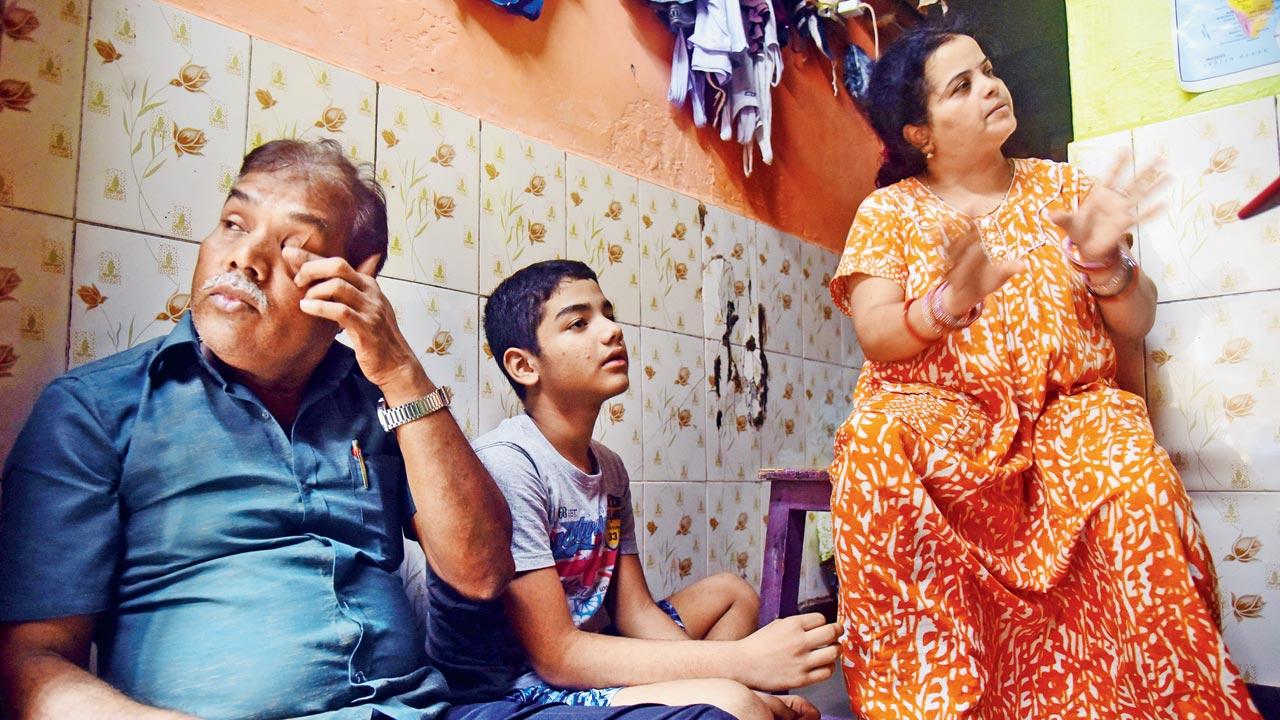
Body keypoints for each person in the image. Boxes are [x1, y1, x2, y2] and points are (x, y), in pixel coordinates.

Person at [0, 139, 732, 720]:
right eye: (234, 221)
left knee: (728, 713)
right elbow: (33, 665)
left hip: (426, 712)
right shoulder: (96, 410)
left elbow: (480, 571)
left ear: (356, 272)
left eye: (292, 245)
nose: (243, 257)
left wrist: (403, 373)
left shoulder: (381, 404)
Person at [825, 27, 1262, 720]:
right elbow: (876, 334)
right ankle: (928, 703)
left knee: (1134, 475)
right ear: (921, 131)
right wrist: (945, 304)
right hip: (948, 416)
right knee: (874, 441)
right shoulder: (891, 210)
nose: (991, 87)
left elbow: (1136, 319)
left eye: (989, 71)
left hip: (1067, 412)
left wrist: (1104, 265)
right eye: (961, 86)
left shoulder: (1064, 188)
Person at [424, 260, 838, 720]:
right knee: (737, 703)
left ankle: (725, 697)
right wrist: (739, 670)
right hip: (520, 684)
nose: (612, 330)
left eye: (608, 313)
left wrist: (714, 677)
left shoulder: (610, 469)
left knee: (733, 594)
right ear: (524, 365)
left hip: (589, 647)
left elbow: (635, 609)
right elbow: (557, 655)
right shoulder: (509, 464)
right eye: (580, 323)